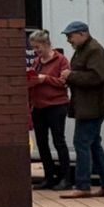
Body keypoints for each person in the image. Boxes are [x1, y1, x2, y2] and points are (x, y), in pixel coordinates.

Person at [59, 21, 104, 199]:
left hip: (93, 106)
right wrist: (69, 78)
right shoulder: (84, 49)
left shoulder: (93, 49)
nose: (68, 40)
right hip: (89, 105)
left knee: (81, 142)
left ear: (82, 34)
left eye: (70, 36)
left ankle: (83, 186)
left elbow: (96, 77)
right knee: (93, 144)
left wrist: (71, 75)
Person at [26, 30, 72, 192]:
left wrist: (45, 78)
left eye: (37, 47)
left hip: (56, 106)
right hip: (38, 107)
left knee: (59, 141)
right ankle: (49, 177)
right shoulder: (36, 62)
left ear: (46, 44)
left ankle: (66, 178)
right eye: (33, 48)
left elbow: (64, 82)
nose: (35, 51)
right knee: (42, 143)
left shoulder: (61, 60)